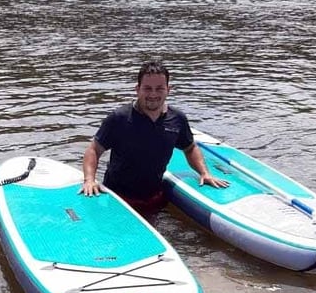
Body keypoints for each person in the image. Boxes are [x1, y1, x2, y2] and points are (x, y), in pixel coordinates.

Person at [81, 58, 228, 215]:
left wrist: (204, 173)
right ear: (137, 89)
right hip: (118, 198)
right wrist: (89, 180)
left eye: (159, 88)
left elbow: (190, 147)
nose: (153, 94)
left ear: (168, 90)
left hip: (154, 197)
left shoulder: (177, 119)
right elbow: (94, 150)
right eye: (147, 88)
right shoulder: (119, 118)